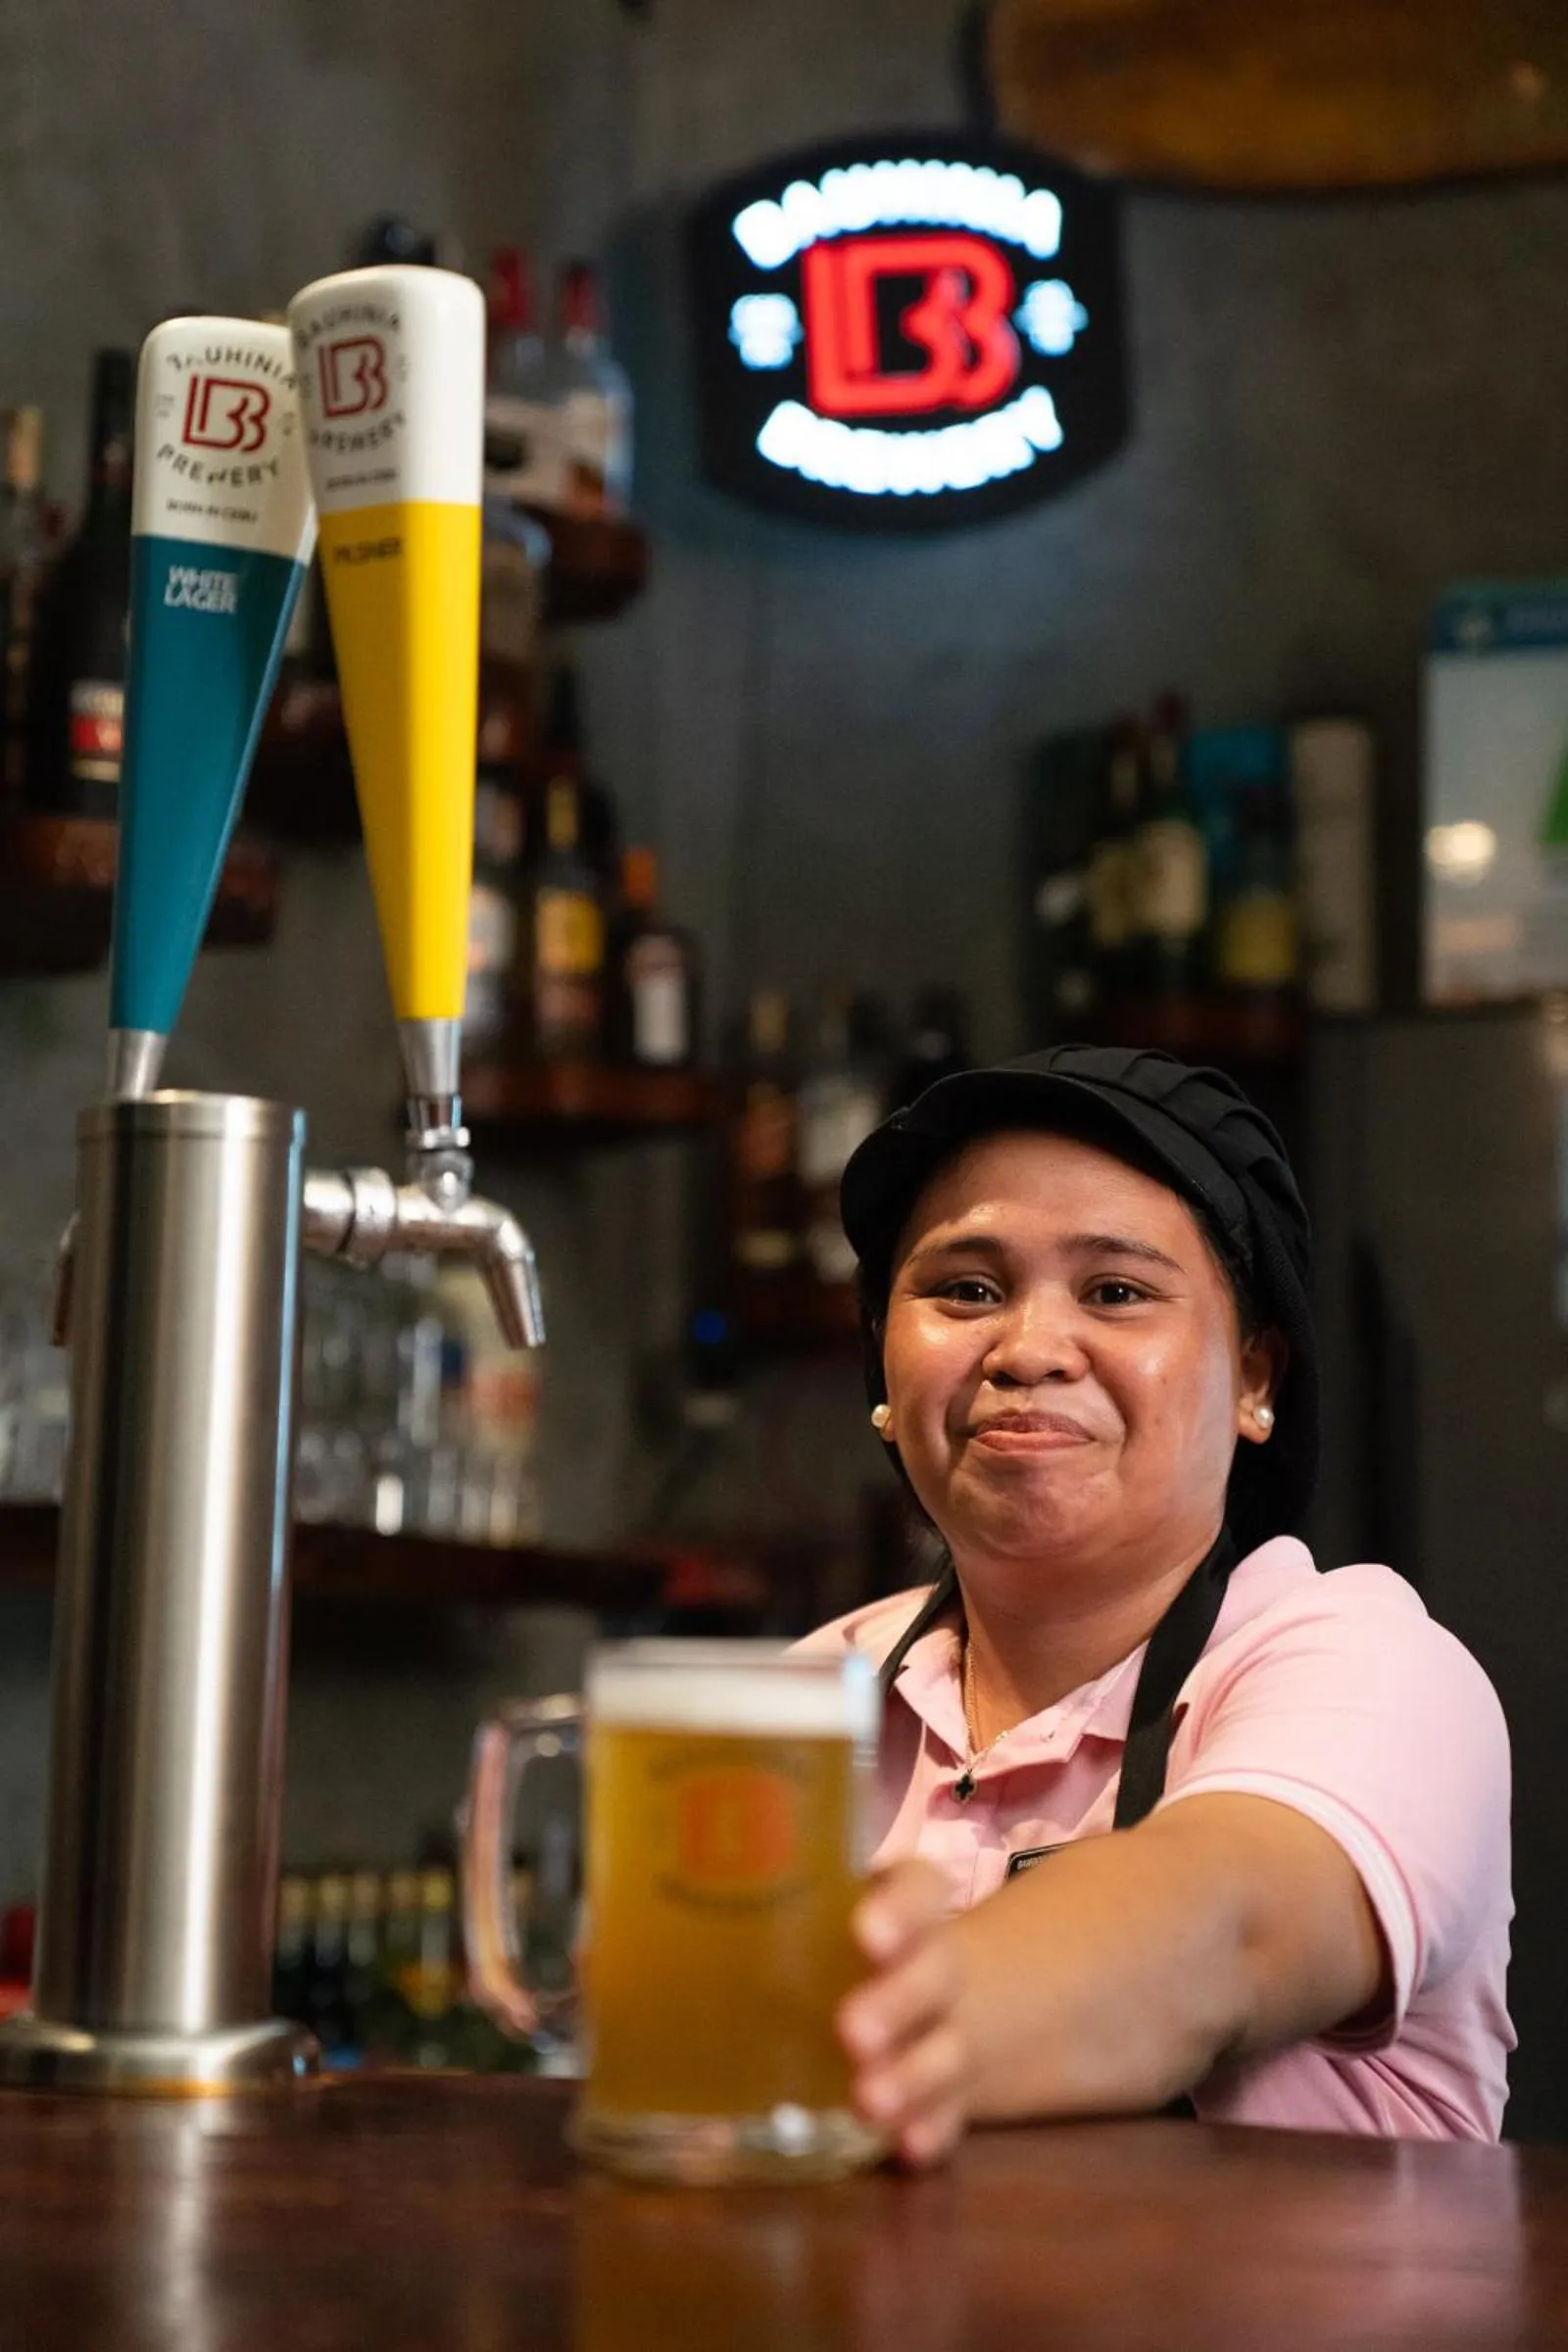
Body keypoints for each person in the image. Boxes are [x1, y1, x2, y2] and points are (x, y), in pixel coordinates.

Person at [799, 1044, 1512, 2165]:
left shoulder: (1370, 1666)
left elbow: (1222, 1932)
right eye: (964, 1290)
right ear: (884, 1376)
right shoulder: (803, 1693)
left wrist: (863, 2033)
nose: (1028, 1349)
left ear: (1258, 1379)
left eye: (1117, 1292)